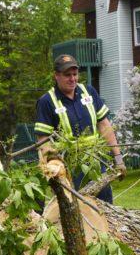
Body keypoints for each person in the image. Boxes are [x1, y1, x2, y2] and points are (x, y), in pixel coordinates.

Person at [34, 53, 125, 203]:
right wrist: (55, 168)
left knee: (105, 204)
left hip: (96, 162)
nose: (72, 79)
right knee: (77, 207)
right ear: (56, 75)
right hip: (69, 167)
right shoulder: (47, 102)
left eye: (75, 74)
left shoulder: (88, 92)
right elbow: (43, 140)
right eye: (67, 75)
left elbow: (104, 125)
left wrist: (118, 158)